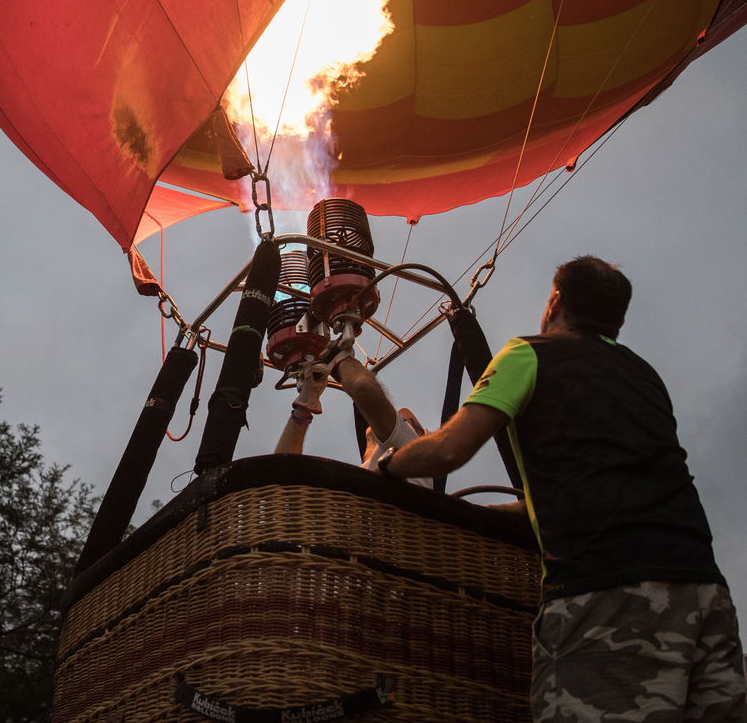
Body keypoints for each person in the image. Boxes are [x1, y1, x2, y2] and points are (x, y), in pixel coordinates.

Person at [374, 255, 746, 721]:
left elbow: (449, 450)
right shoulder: (645, 376)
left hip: (606, 592)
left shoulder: (528, 354)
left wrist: (388, 466)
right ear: (619, 320)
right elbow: (574, 492)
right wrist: (477, 513)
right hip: (705, 594)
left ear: (554, 302)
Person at [275, 353, 433, 489]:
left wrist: (338, 356)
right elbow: (281, 474)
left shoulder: (412, 453)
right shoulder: (361, 476)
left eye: (406, 421)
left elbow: (363, 387)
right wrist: (304, 405)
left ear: (419, 435)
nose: (399, 415)